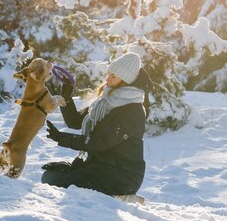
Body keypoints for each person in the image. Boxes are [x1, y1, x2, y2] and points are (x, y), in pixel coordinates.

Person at [42, 52, 151, 196]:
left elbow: (99, 143)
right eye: (109, 74)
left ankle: (121, 198)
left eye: (113, 76)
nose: (107, 79)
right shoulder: (105, 102)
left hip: (122, 177)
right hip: (98, 166)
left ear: (125, 81)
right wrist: (66, 96)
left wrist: (61, 137)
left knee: (56, 182)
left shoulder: (133, 112)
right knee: (50, 175)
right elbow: (74, 121)